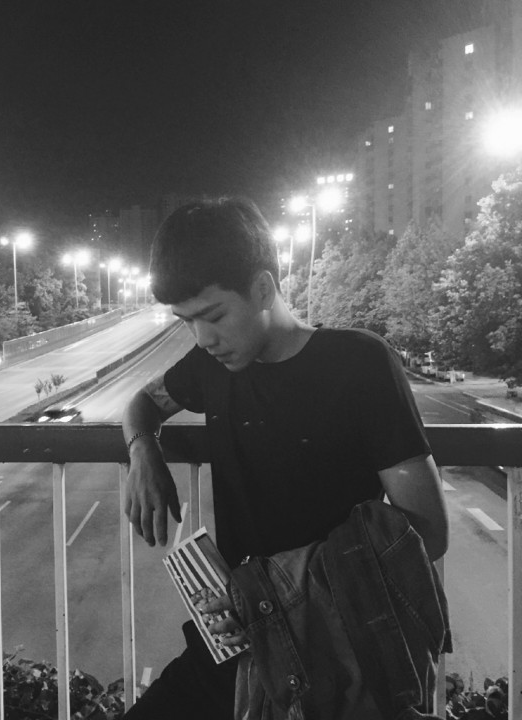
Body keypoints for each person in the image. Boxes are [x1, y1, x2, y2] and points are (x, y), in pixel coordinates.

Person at [121, 197, 449, 719]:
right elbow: (144, 402)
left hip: (339, 655)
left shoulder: (358, 362)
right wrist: (143, 451)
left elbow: (426, 533)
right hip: (240, 644)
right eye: (187, 322)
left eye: (214, 316)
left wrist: (271, 592)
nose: (204, 339)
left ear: (263, 288)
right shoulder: (210, 366)